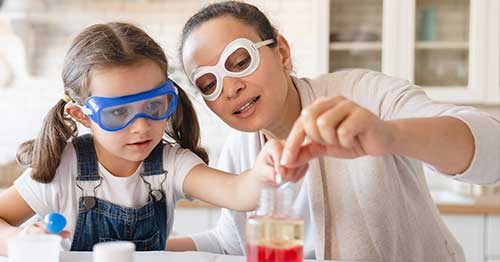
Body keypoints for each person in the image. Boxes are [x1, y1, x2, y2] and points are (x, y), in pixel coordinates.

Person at [168, 1, 500, 261]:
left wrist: (389, 135)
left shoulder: (365, 95)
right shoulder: (239, 150)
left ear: (281, 53)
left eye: (240, 62)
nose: (230, 88)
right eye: (209, 83)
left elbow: (492, 150)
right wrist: (134, 248)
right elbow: (231, 243)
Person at [0, 22, 302, 255]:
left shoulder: (170, 162)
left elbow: (239, 193)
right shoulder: (64, 167)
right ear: (82, 116)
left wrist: (263, 171)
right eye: (118, 113)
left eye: (154, 106)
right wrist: (17, 237)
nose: (142, 127)